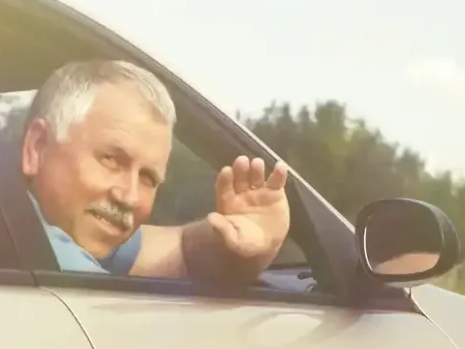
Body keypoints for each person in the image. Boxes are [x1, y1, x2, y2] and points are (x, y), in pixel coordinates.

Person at [19, 59, 290, 284]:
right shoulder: (41, 251)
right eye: (111, 159)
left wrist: (243, 241)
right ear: (37, 147)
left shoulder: (26, 223)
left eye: (148, 178)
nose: (129, 197)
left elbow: (183, 251)